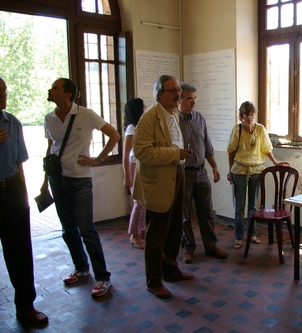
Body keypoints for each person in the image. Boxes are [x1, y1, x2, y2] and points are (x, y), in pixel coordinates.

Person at [41, 78, 120, 298]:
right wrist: (45, 180)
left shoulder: (85, 114)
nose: (51, 90)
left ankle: (103, 277)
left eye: (55, 88)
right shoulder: (49, 118)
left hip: (80, 180)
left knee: (87, 229)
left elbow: (114, 135)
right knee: (68, 229)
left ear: (67, 94)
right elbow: (51, 148)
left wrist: (99, 159)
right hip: (58, 180)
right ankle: (81, 268)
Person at [133, 75, 194, 299]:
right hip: (159, 181)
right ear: (160, 94)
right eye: (173, 91)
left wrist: (179, 157)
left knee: (174, 230)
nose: (178, 94)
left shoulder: (174, 114)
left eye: (178, 90)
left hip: (177, 174)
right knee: (156, 235)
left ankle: (170, 270)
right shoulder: (149, 118)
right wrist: (175, 154)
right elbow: (142, 152)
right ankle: (154, 281)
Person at [0, 76, 49, 325]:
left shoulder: (13, 122)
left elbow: (19, 163)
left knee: (20, 252)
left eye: (5, 91)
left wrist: (23, 197)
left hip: (11, 192)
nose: (4, 95)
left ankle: (26, 307)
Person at [226, 101, 289, 249]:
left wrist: (275, 162)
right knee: (239, 206)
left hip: (256, 171)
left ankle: (252, 234)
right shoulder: (238, 130)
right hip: (239, 171)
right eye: (246, 114)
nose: (249, 117)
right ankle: (239, 237)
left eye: (252, 114)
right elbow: (230, 151)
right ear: (241, 116)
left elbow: (266, 149)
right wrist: (230, 171)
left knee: (252, 206)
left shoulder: (260, 129)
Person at [178, 82, 228, 264]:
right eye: (189, 99)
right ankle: (188, 248)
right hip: (183, 174)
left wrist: (214, 166)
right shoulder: (172, 121)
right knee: (184, 215)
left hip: (201, 173)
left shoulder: (199, 118)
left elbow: (207, 145)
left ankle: (211, 246)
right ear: (180, 99)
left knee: (207, 212)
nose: (193, 102)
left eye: (194, 99)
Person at [122, 98, 146, 249]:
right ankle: (134, 235)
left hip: (141, 165)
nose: (145, 108)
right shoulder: (132, 128)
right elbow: (125, 154)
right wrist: (127, 176)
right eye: (143, 106)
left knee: (144, 202)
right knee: (139, 202)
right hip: (134, 166)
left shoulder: (140, 126)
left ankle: (141, 230)